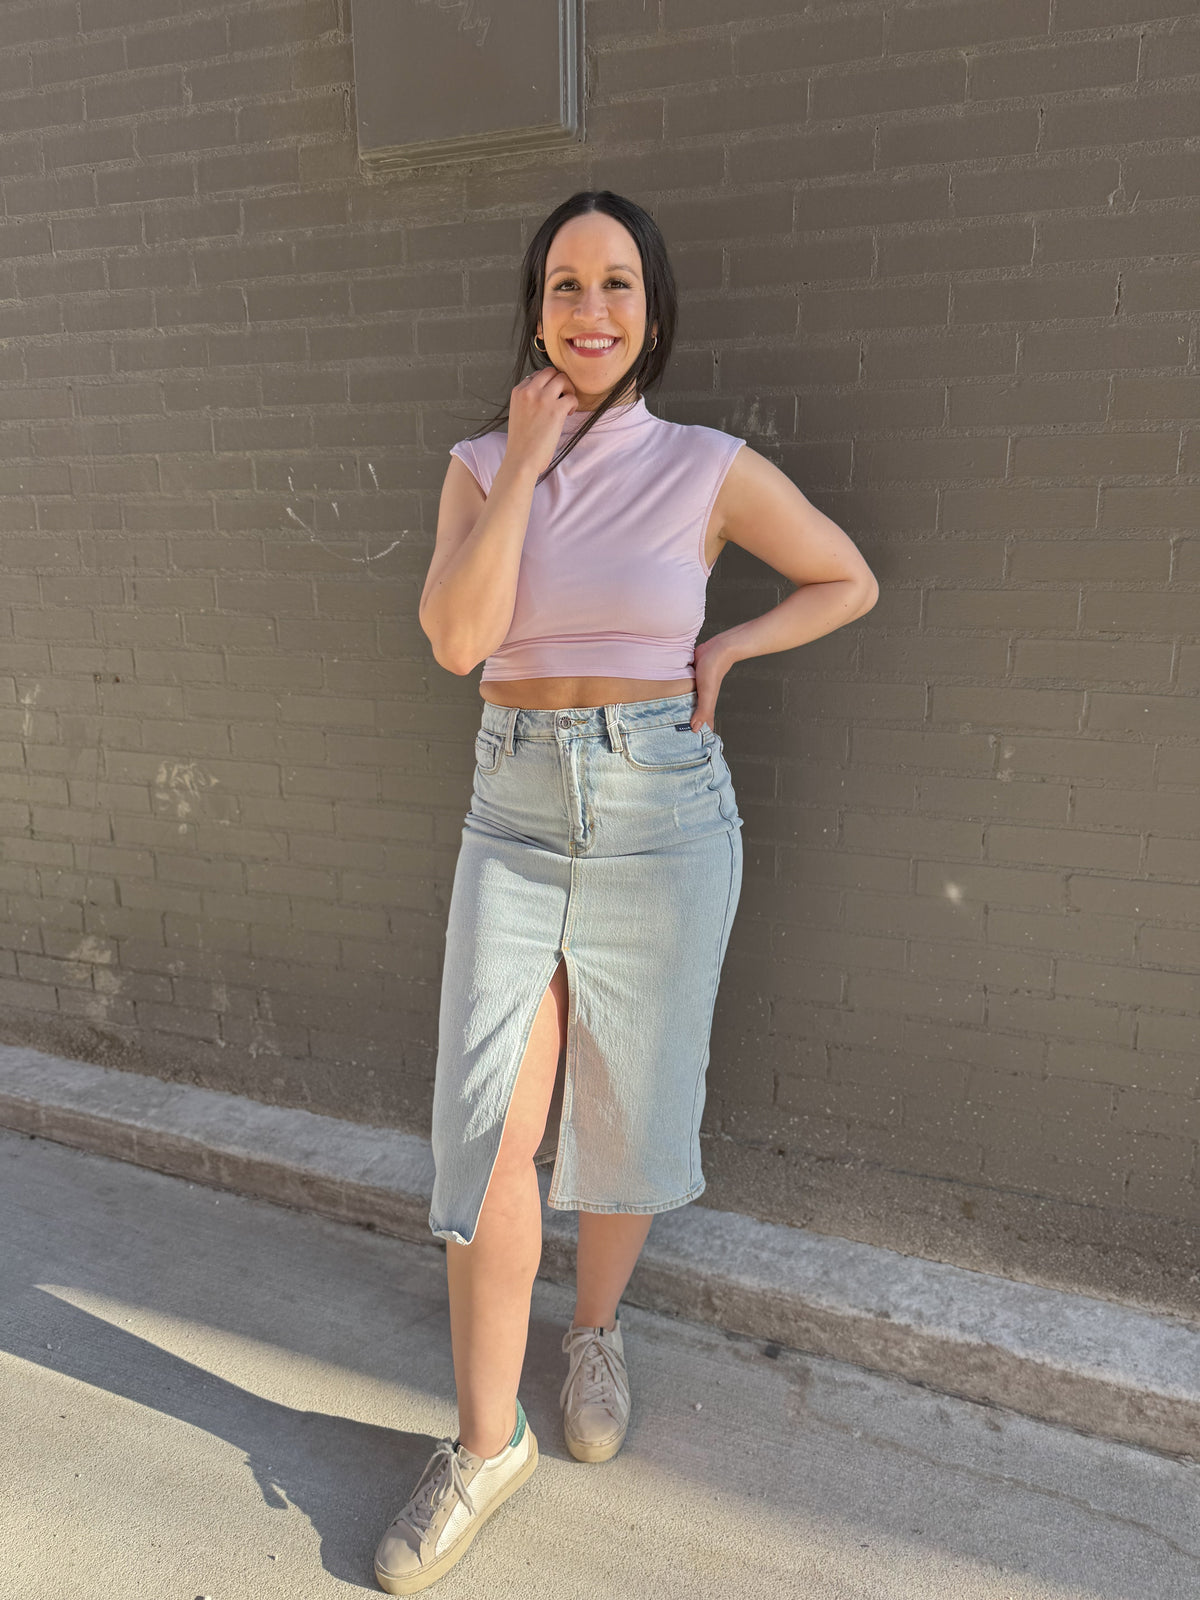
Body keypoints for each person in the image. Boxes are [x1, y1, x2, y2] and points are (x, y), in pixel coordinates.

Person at [373, 190, 878, 1595]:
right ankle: (485, 1443)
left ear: (652, 309)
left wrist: (724, 656)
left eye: (614, 287)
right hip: (515, 813)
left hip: (665, 806)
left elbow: (845, 577)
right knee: (490, 1125)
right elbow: (459, 640)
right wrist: (529, 462)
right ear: (534, 309)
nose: (588, 313)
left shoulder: (710, 466)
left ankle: (592, 1332)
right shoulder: (482, 462)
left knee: (629, 1101)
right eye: (561, 286)